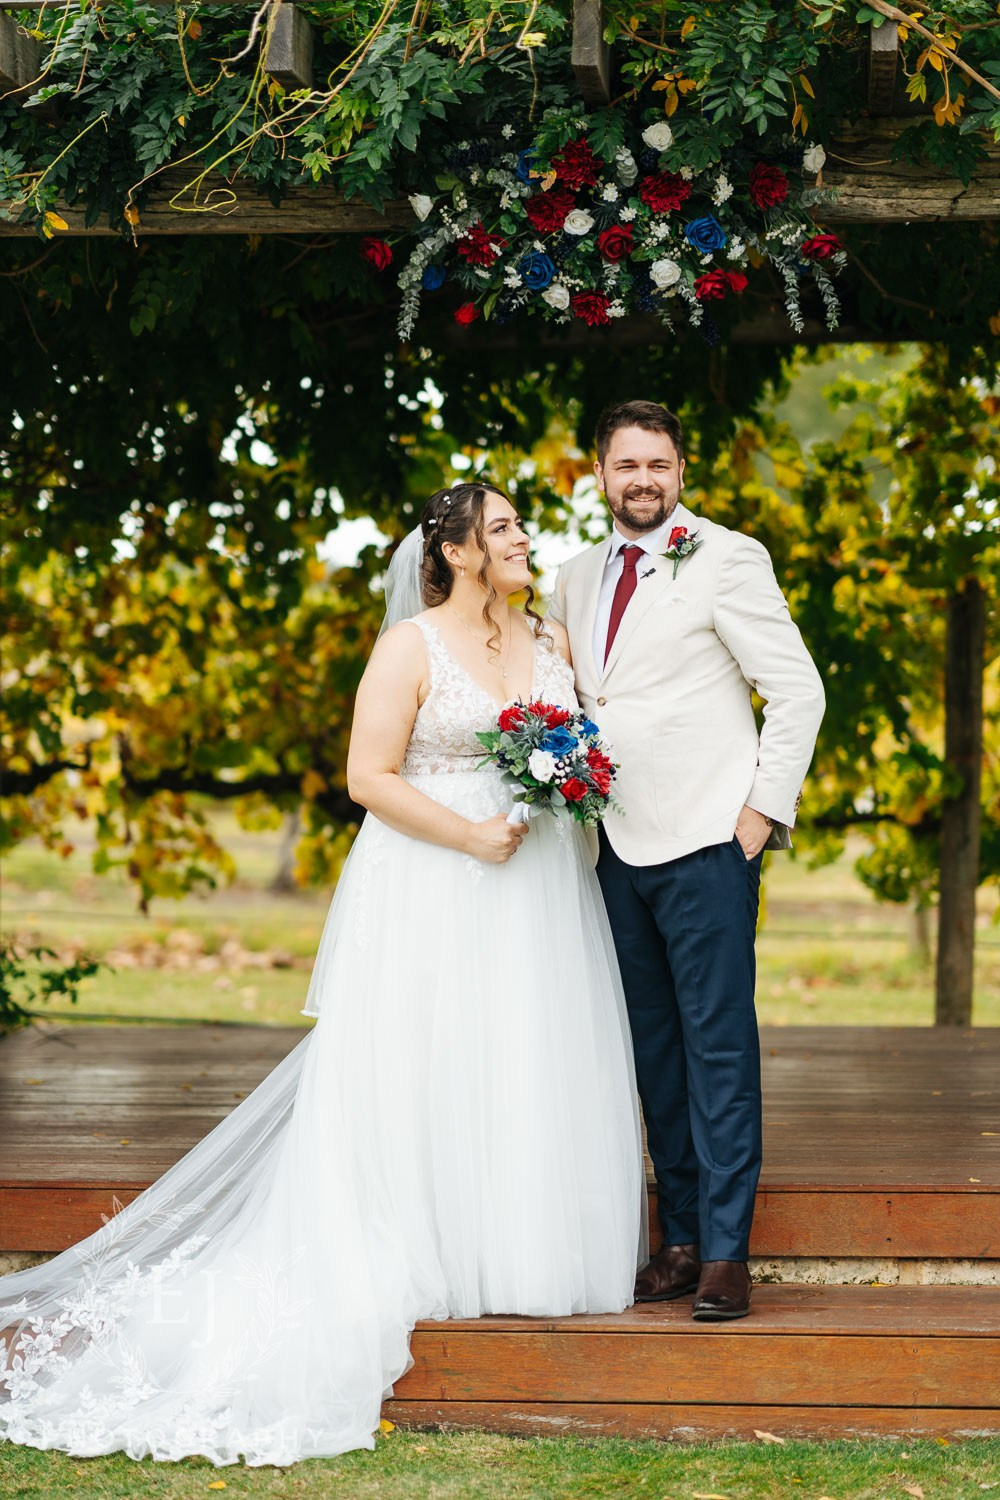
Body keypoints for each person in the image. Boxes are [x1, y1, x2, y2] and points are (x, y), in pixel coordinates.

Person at [0, 482, 646, 1467]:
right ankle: (421, 1250)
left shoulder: (553, 641)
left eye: (522, 525)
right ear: (460, 549)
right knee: (426, 1061)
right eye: (506, 526)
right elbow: (368, 777)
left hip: (540, 885)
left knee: (526, 1054)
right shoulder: (409, 646)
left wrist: (568, 781)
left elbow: (575, 748)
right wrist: (471, 833)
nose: (525, 538)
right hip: (436, 878)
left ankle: (520, 1253)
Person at [548, 400, 825, 1322]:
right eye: (626, 465)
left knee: (717, 1048)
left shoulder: (729, 557)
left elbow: (797, 692)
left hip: (709, 842)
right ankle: (675, 1243)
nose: (643, 481)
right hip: (613, 846)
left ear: (681, 472)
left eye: (658, 465)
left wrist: (755, 820)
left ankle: (725, 1254)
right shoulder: (574, 579)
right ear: (598, 473)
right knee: (652, 1051)